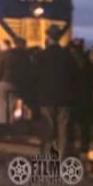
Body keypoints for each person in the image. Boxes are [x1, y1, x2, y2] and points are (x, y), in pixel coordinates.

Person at [36, 25, 76, 158]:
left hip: (47, 97)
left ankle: (47, 156)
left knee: (48, 128)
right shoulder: (67, 55)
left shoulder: (42, 55)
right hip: (64, 97)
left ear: (48, 36)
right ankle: (61, 156)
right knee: (63, 129)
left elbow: (36, 76)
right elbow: (73, 76)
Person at [0, 37, 30, 125]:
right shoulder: (25, 56)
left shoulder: (5, 54)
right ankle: (11, 123)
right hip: (15, 83)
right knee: (12, 105)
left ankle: (3, 124)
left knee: (2, 105)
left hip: (2, 82)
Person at [67, 39, 93, 154]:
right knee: (84, 124)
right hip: (85, 97)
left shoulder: (69, 61)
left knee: (72, 122)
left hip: (73, 97)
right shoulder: (87, 61)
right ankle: (84, 145)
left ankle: (72, 145)